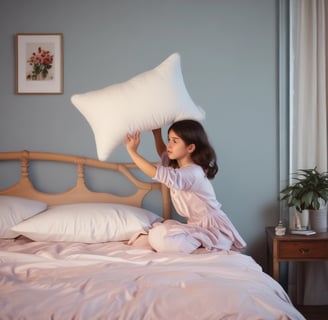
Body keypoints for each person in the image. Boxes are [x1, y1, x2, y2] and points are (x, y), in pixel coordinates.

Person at [125, 119, 246, 253]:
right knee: (161, 230)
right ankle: (196, 246)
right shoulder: (179, 166)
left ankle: (204, 249)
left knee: (163, 238)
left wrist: (132, 152)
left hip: (212, 227)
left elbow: (157, 173)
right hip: (196, 224)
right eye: (169, 139)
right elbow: (164, 154)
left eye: (175, 141)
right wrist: (157, 134)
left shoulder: (193, 172)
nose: (169, 145)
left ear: (190, 148)